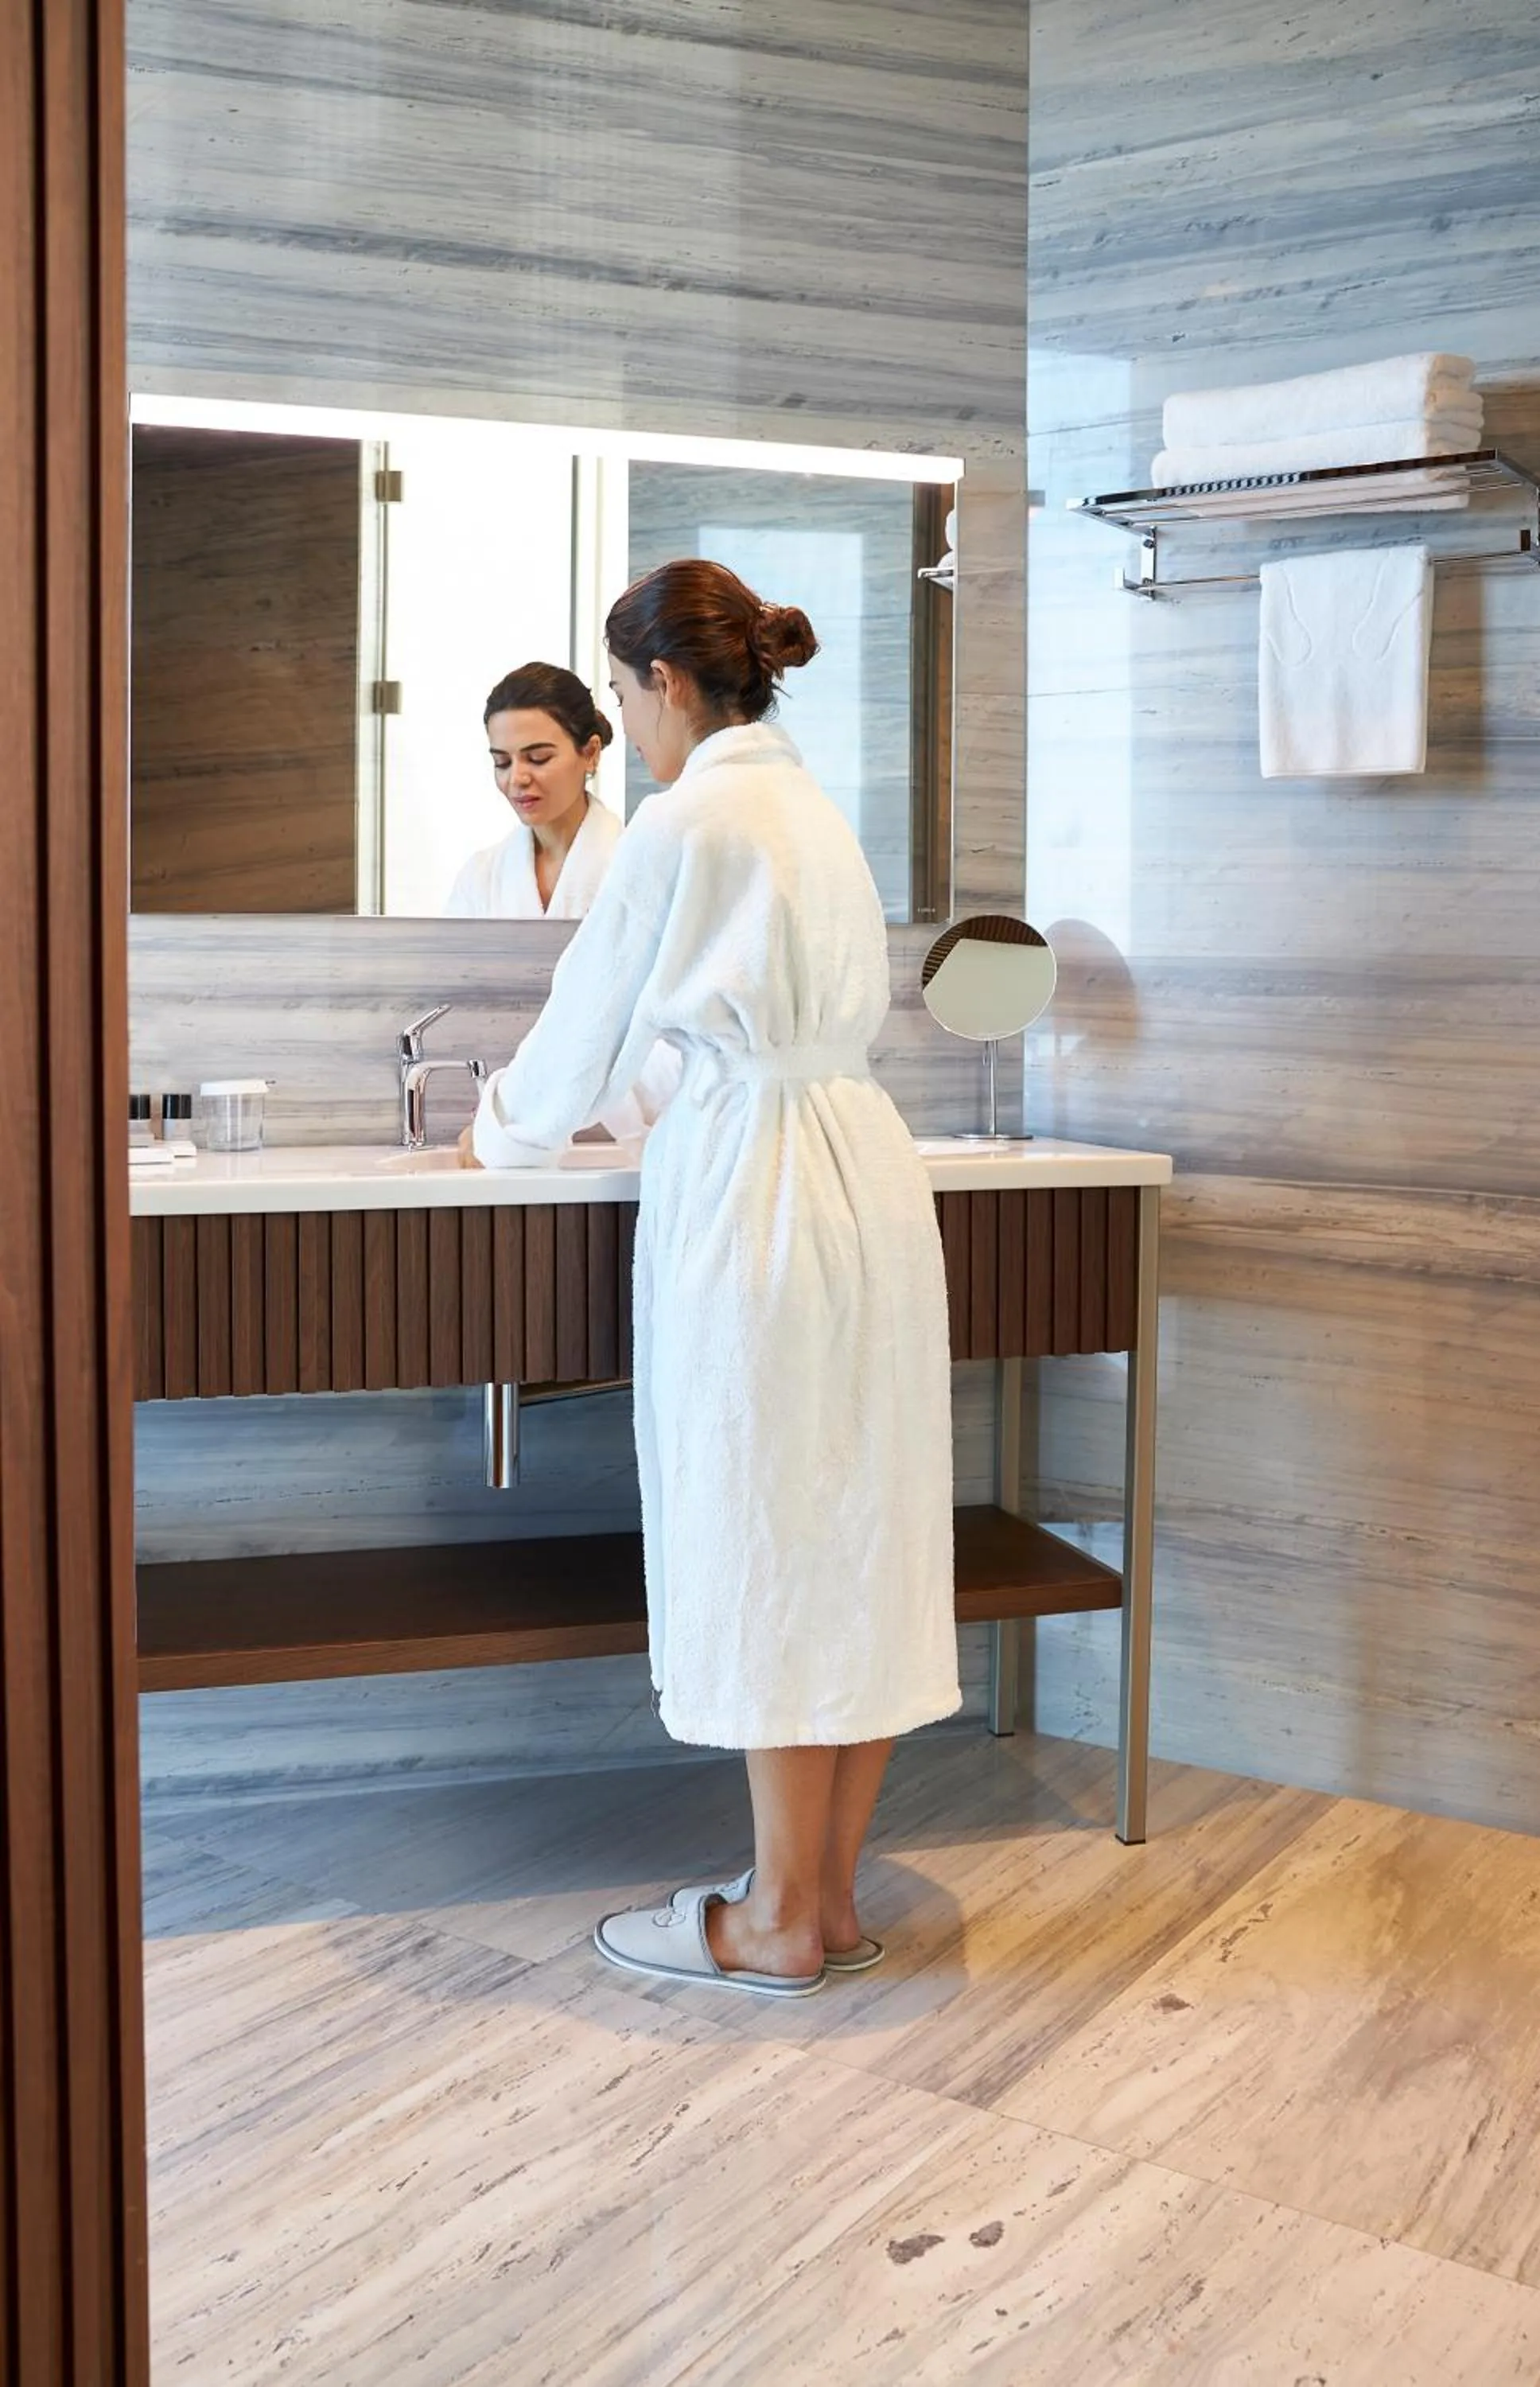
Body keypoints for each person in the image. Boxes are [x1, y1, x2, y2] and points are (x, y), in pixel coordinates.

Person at [465, 559, 959, 1998]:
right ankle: (832, 1905)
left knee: (760, 1523)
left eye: (620, 694)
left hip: (757, 1185)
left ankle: (769, 1922)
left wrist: (498, 1138)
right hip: (866, 1169)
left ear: (662, 686)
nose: (632, 714)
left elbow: (585, 1029)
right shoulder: (811, 808)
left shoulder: (691, 817)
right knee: (851, 1530)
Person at [446, 661, 623, 919]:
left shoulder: (637, 866)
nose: (517, 778)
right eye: (502, 763)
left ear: (590, 753)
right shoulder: (481, 877)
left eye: (538, 758)